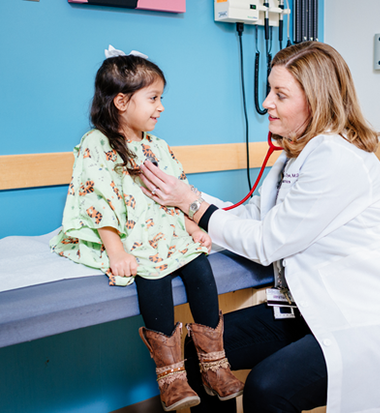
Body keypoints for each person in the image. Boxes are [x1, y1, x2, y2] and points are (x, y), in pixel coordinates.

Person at [139, 41, 380, 413]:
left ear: (315, 101)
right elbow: (252, 216)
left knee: (268, 389)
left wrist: (191, 204)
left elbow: (268, 242)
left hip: (366, 317)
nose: (267, 102)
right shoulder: (292, 157)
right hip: (308, 306)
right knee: (199, 352)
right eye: (269, 90)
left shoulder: (337, 159)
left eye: (280, 94)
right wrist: (186, 196)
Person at [49, 47, 244, 411]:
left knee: (200, 269)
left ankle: (215, 366)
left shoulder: (158, 146)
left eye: (161, 98)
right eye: (153, 98)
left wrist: (192, 225)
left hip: (166, 229)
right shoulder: (98, 144)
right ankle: (171, 377)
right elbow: (97, 201)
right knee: (151, 272)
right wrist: (116, 251)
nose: (161, 107)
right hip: (130, 235)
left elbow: (176, 193)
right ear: (121, 101)